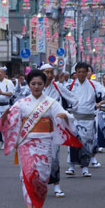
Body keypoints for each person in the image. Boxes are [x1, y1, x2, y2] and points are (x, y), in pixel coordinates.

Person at [0, 69, 81, 208]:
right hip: (26, 143)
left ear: (44, 85)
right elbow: (10, 123)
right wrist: (4, 117)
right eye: (33, 83)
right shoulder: (21, 103)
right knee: (27, 175)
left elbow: (65, 115)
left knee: (41, 178)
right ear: (29, 84)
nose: (36, 86)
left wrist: (65, 117)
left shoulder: (51, 102)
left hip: (45, 143)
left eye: (39, 84)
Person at [41, 64, 78, 198]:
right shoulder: (34, 87)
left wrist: (67, 114)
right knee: (39, 158)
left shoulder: (57, 86)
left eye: (51, 72)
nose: (49, 75)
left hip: (54, 128)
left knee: (54, 157)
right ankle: (40, 185)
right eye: (46, 72)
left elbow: (73, 99)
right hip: (37, 128)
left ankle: (56, 185)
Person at [65, 62, 105, 177]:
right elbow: (63, 99)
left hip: (88, 119)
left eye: (84, 72)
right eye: (79, 72)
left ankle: (85, 168)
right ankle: (71, 166)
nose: (82, 74)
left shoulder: (95, 85)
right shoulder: (70, 85)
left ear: (87, 72)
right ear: (76, 72)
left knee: (87, 144)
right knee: (73, 143)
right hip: (74, 118)